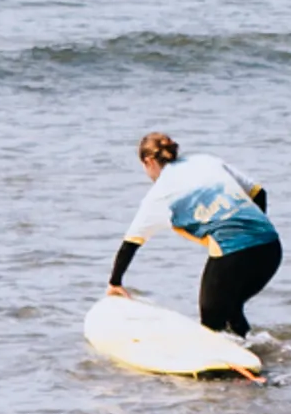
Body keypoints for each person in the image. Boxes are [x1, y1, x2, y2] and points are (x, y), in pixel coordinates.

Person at [108, 132, 281, 336]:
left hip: (232, 252)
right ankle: (258, 356)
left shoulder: (159, 195)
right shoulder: (206, 161)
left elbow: (130, 244)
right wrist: (253, 231)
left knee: (211, 326)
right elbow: (259, 193)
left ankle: (227, 365)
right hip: (271, 246)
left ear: (148, 162)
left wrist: (115, 283)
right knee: (232, 309)